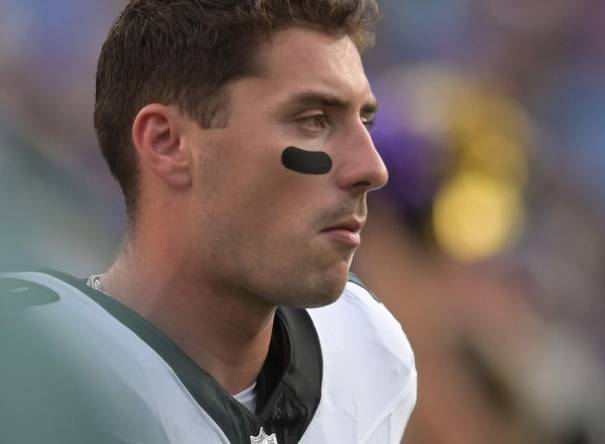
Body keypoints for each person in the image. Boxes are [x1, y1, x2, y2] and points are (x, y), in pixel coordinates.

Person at [0, 1, 417, 443]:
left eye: (365, 121)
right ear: (168, 143)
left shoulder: (367, 348)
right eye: (313, 120)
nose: (372, 168)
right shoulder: (26, 369)